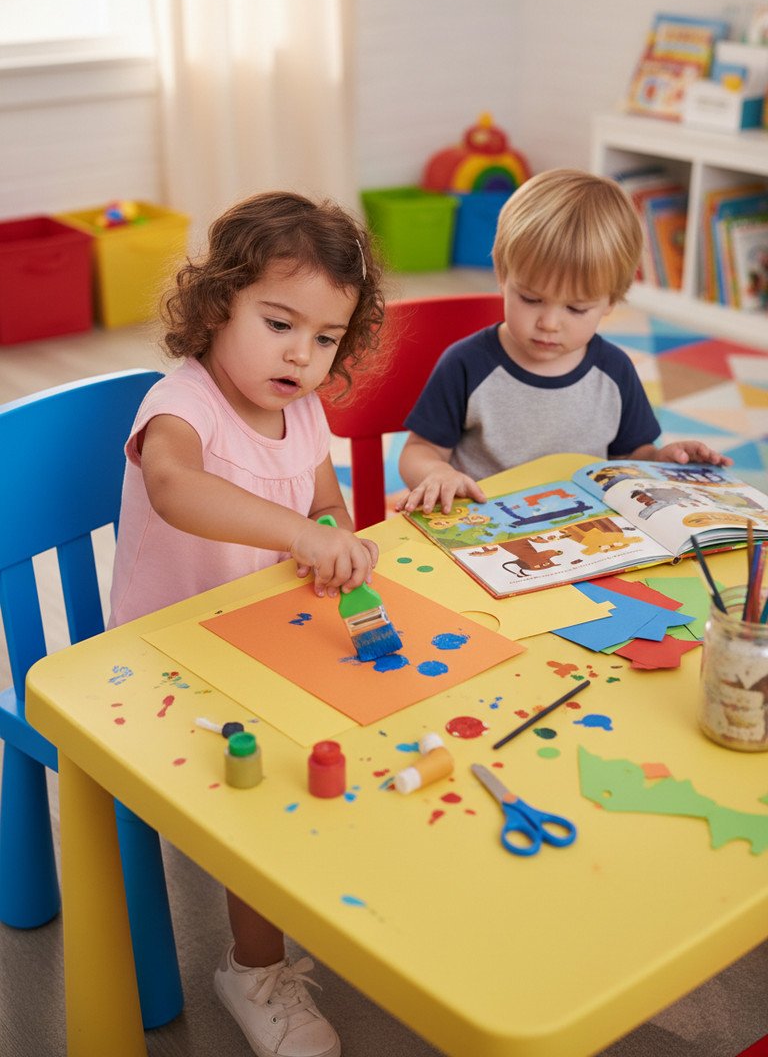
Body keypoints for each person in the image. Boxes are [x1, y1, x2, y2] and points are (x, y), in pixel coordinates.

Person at [109, 191, 385, 1057]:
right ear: (217, 301)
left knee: (376, 720)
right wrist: (298, 533)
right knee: (262, 786)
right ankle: (253, 969)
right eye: (278, 322)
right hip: (162, 661)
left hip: (264, 637)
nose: (302, 355)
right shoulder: (179, 405)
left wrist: (333, 538)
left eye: (326, 339)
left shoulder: (304, 408)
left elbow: (328, 501)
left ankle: (342, 888)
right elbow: (174, 488)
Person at [397, 168, 732, 516]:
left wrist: (663, 459)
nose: (549, 323)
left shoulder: (613, 371)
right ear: (502, 275)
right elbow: (419, 451)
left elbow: (633, 457)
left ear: (610, 301)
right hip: (482, 528)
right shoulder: (467, 364)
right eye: (530, 298)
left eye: (576, 308)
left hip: (585, 532)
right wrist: (438, 473)